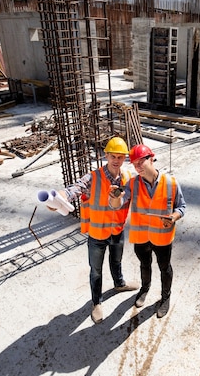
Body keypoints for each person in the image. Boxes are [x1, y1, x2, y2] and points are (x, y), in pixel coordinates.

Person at [53, 136, 138, 324]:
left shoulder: (128, 177)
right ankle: (96, 302)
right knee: (96, 271)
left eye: (121, 157)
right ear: (105, 155)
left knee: (116, 261)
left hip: (117, 231)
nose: (117, 160)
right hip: (97, 234)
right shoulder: (93, 177)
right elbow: (76, 188)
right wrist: (61, 195)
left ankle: (119, 284)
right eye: (113, 156)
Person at [109, 144, 186, 318]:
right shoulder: (133, 183)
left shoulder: (170, 182)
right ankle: (145, 289)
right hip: (141, 236)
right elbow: (118, 202)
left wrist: (173, 217)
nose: (137, 167)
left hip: (162, 237)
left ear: (151, 159)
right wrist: (115, 197)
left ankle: (165, 297)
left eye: (140, 162)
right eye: (134, 164)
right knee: (144, 264)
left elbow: (181, 207)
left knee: (164, 267)